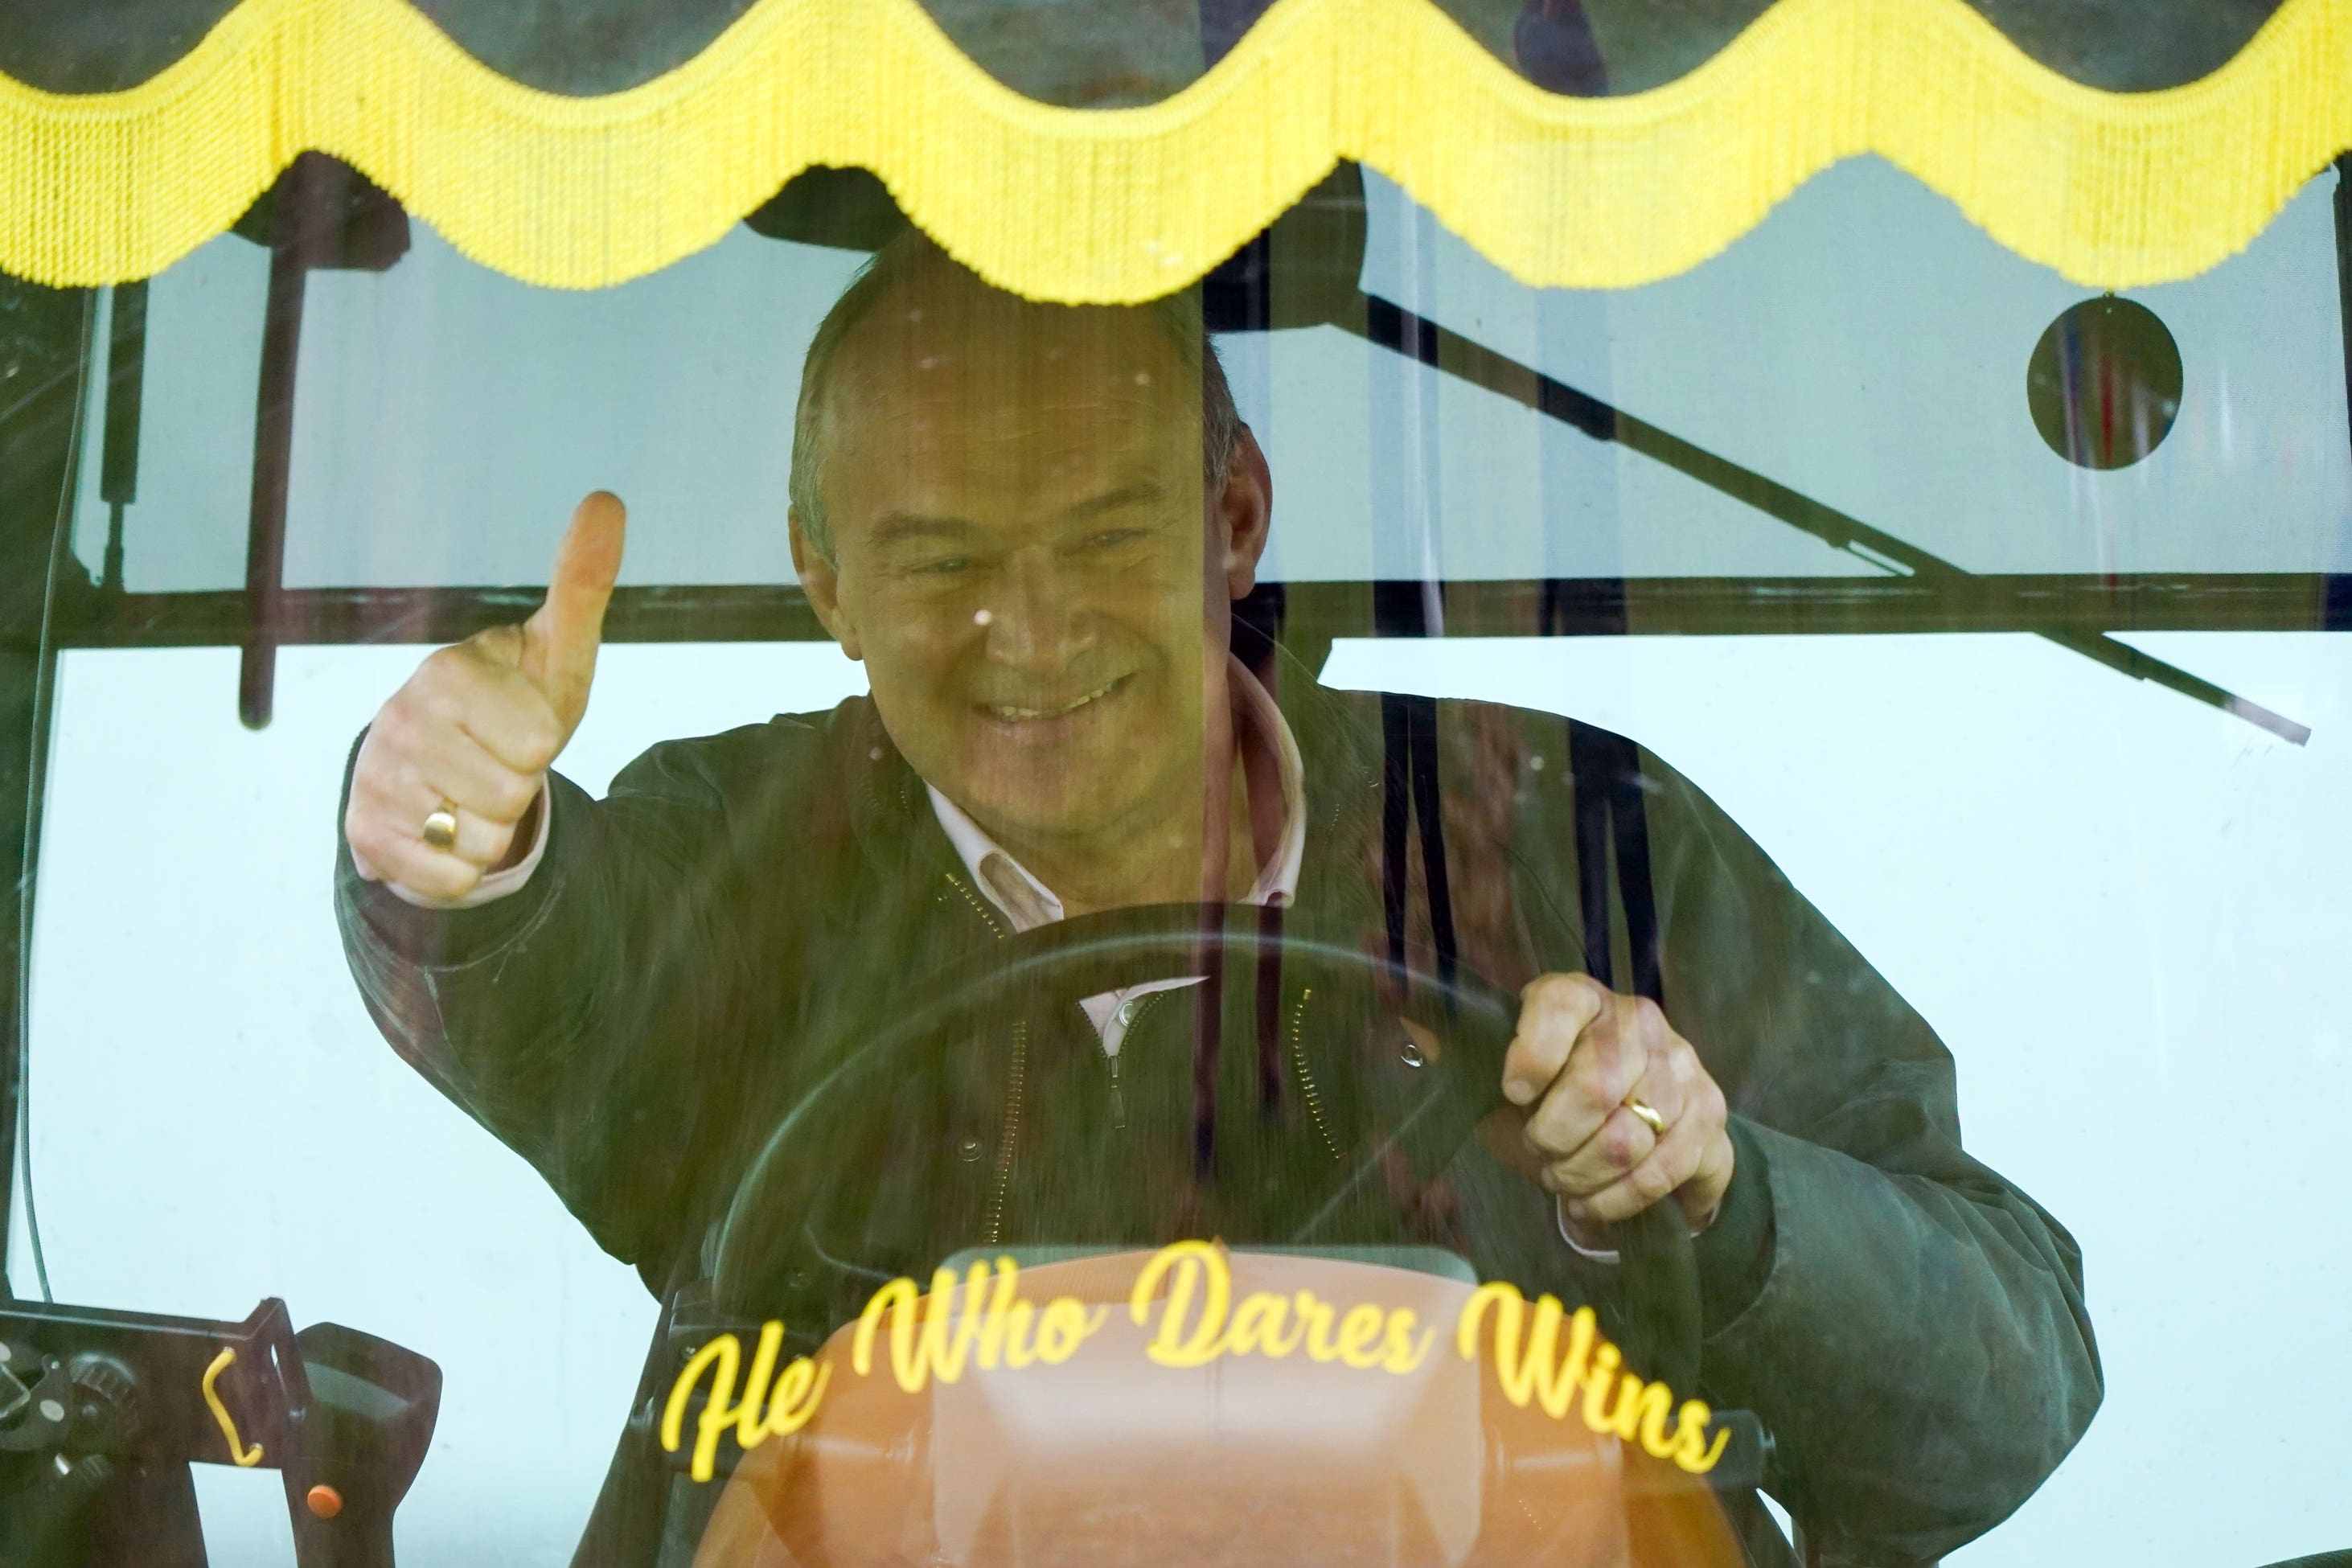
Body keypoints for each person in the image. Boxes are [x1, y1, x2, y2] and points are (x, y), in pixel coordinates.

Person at [335, 231, 2100, 1568]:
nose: (1027, 635)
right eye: (941, 560)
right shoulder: (728, 853)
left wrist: (1723, 1198)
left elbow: (1999, 1395)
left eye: (1103, 540)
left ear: (1233, 520)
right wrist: (459, 864)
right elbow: (553, 988)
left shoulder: (1566, 834)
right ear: (825, 578)